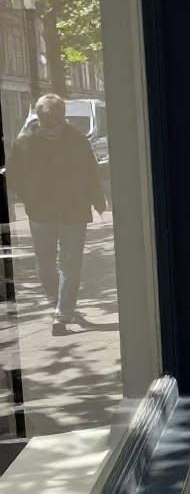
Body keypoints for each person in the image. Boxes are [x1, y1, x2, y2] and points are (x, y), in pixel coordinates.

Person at [7, 93, 106, 336]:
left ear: (63, 115)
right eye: (44, 114)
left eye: (55, 114)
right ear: (38, 115)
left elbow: (91, 171)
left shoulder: (78, 140)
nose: (50, 118)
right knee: (45, 263)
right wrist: (25, 194)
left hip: (73, 211)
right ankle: (56, 303)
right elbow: (13, 173)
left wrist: (97, 199)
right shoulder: (24, 143)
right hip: (40, 212)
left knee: (70, 263)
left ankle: (62, 313)